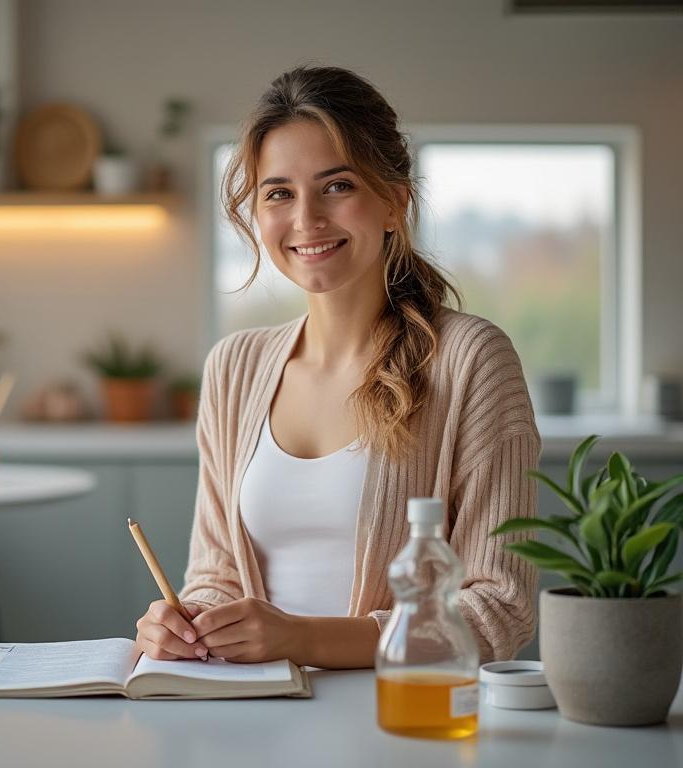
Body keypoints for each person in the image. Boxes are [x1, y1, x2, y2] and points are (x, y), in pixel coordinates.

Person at [134, 65, 540, 668]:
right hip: (252, 722)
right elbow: (216, 572)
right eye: (278, 193)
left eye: (337, 186)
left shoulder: (471, 361)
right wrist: (192, 622)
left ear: (394, 202)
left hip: (403, 724)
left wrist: (307, 640)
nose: (306, 219)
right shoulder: (233, 368)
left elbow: (499, 608)